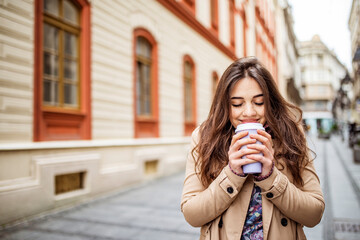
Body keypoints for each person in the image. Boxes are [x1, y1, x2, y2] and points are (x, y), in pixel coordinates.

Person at [181, 57, 325, 240]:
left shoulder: (291, 136)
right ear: (225, 105)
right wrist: (232, 174)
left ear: (270, 102)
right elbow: (192, 214)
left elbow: (314, 214)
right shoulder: (205, 137)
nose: (249, 112)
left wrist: (271, 177)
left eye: (259, 102)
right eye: (237, 104)